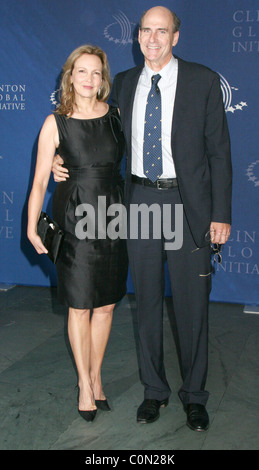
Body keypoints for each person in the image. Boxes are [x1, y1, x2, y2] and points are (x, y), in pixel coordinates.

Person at [52, 6, 232, 432]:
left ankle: (195, 397)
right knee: (146, 303)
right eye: (145, 31)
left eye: (161, 31)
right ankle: (155, 391)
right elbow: (92, 132)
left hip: (188, 207)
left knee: (192, 309)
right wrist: (62, 158)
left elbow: (220, 155)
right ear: (137, 37)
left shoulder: (203, 81)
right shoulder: (125, 84)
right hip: (139, 204)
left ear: (175, 36)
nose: (152, 38)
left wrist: (220, 214)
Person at [27, 45, 128, 423]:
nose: (89, 79)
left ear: (103, 78)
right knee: (80, 305)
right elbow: (39, 181)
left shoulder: (117, 116)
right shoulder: (56, 122)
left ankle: (96, 375)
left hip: (114, 217)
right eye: (81, 72)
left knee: (105, 305)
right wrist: (31, 223)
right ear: (70, 76)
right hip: (75, 220)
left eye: (96, 73)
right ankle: (84, 386)